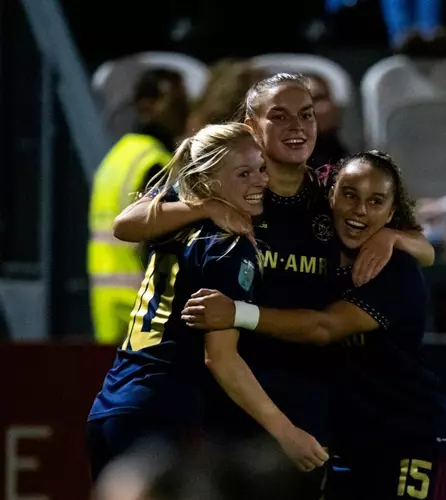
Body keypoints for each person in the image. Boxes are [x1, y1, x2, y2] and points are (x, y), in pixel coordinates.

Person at [110, 73, 435, 500]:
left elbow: (425, 250)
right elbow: (126, 224)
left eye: (306, 115)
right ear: (250, 125)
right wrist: (203, 205)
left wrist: (391, 236)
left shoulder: (331, 196)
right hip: (230, 406)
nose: (297, 128)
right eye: (279, 117)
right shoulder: (229, 188)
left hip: (307, 408)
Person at [183, 151, 446, 500]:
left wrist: (237, 313)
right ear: (330, 196)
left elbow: (324, 327)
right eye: (349, 194)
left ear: (391, 214)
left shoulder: (396, 271)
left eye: (375, 202)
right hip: (348, 445)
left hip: (413, 440)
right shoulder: (318, 253)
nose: (360, 209)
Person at [86, 123, 327, 485]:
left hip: (113, 403)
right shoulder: (228, 246)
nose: (259, 180)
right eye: (243, 173)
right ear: (209, 180)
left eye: (261, 169)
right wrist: (286, 432)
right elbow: (220, 357)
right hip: (161, 411)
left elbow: (128, 224)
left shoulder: (174, 218)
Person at [88, 68, 189, 345]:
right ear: (148, 104)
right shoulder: (155, 161)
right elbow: (159, 237)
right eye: (176, 100)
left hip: (107, 300)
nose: (184, 110)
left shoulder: (118, 156)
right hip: (145, 302)